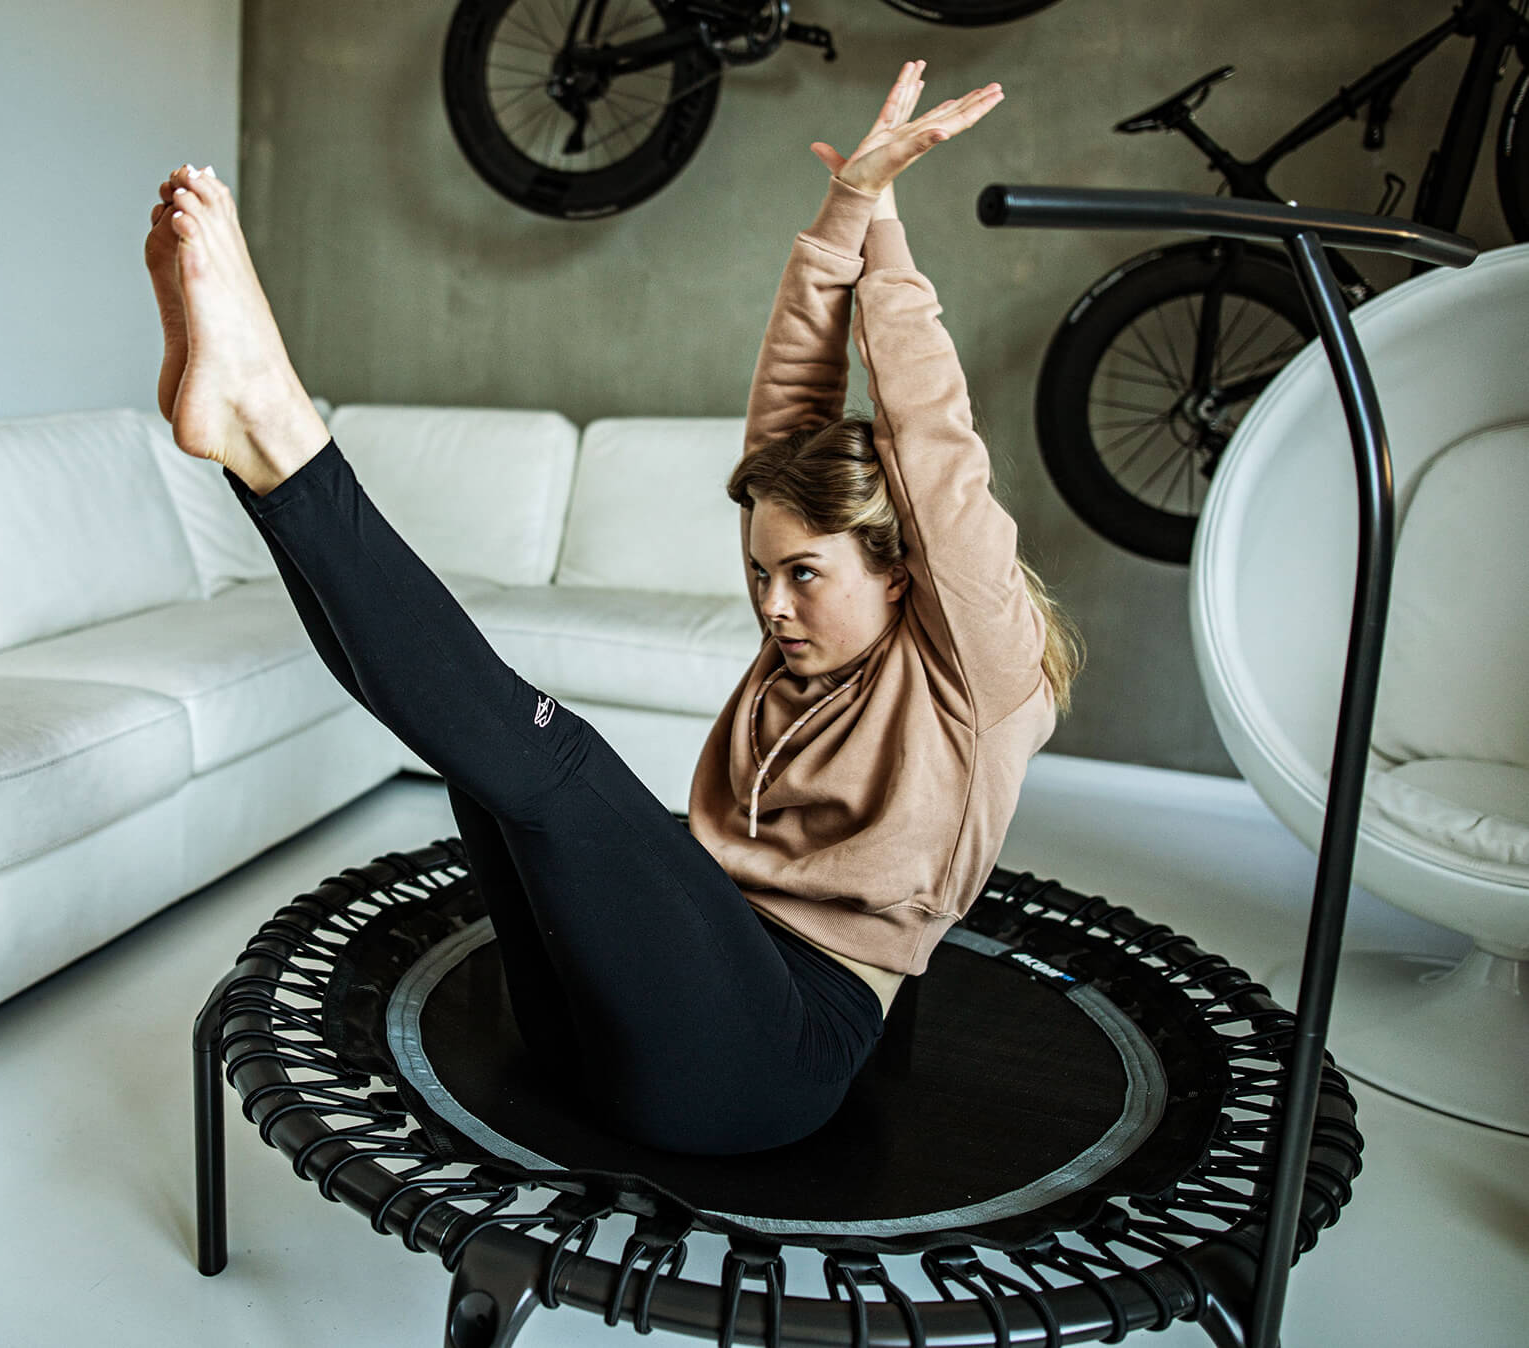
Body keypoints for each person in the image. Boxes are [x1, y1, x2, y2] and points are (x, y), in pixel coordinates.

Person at [145, 60, 1076, 1156]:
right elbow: (790, 419)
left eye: (804, 576)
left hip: (762, 1062)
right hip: (621, 1023)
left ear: (904, 565)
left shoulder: (979, 668)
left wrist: (883, 222)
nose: (770, 606)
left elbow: (936, 439)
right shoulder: (804, 642)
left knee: (556, 759)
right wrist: (840, 210)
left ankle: (274, 425)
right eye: (761, 572)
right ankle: (259, 466)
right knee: (486, 765)